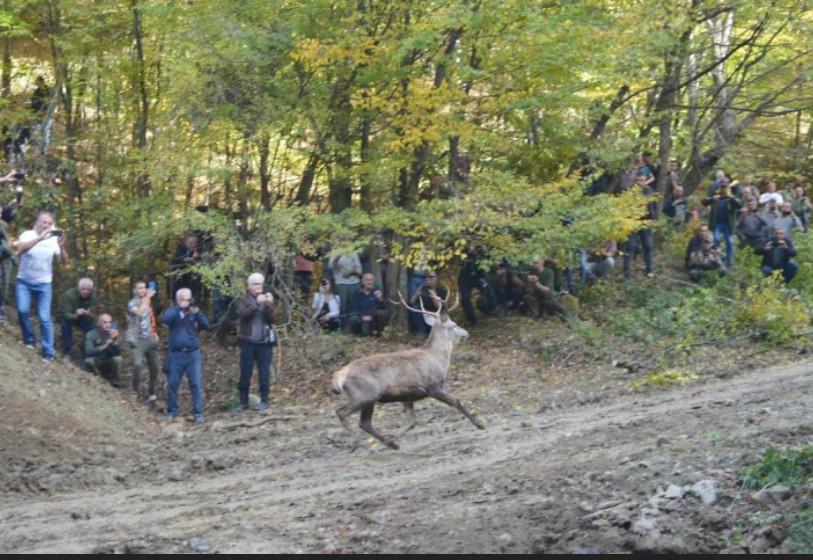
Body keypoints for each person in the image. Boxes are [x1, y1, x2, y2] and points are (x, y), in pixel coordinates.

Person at [14, 212, 67, 363]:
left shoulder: (53, 240)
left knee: (44, 317)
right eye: (44, 222)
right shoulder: (27, 235)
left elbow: (63, 262)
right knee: (23, 310)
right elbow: (21, 249)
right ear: (37, 222)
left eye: (49, 223)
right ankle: (29, 340)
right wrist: (40, 238)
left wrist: (62, 246)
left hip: (44, 284)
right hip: (24, 281)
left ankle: (48, 351)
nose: (47, 226)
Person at [162, 287, 211, 423]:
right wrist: (179, 307)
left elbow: (206, 325)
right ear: (177, 299)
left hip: (193, 354)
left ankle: (198, 413)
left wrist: (197, 312)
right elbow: (165, 320)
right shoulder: (173, 311)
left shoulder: (194, 312)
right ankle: (172, 411)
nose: (186, 301)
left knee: (195, 383)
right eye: (183, 298)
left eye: (188, 298)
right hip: (176, 354)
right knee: (172, 383)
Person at [231, 273, 276, 413]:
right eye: (256, 284)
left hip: (264, 343)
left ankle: (265, 401)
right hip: (248, 342)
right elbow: (242, 314)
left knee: (264, 373)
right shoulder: (243, 299)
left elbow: (273, 320)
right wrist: (256, 303)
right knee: (245, 373)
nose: (259, 286)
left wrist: (269, 305)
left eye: (261, 284)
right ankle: (243, 403)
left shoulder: (265, 298)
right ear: (249, 286)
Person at [126, 280, 161, 403]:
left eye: (144, 287)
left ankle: (152, 393)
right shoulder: (132, 303)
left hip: (149, 338)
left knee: (154, 367)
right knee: (137, 364)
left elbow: (151, 318)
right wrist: (148, 298)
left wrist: (155, 332)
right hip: (138, 340)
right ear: (134, 290)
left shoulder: (148, 302)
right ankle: (134, 391)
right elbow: (139, 313)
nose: (143, 290)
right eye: (140, 288)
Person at [623, 171, 658, 279]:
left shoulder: (649, 191)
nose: (639, 182)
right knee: (630, 247)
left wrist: (654, 218)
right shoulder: (629, 192)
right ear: (634, 181)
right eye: (637, 180)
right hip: (632, 222)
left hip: (646, 223)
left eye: (641, 180)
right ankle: (627, 273)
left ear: (645, 181)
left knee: (648, 246)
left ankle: (649, 270)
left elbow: (654, 206)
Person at [702, 180, 742, 268]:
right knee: (716, 239)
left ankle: (728, 263)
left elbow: (740, 205)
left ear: (728, 187)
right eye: (722, 186)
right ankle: (716, 259)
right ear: (720, 187)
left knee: (730, 242)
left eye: (725, 187)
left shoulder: (731, 197)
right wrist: (712, 198)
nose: (723, 188)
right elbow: (704, 202)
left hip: (728, 225)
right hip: (717, 224)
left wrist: (732, 198)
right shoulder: (716, 196)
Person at [56, 278, 97, 362]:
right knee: (65, 325)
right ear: (79, 288)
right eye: (83, 289)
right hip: (69, 317)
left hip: (83, 318)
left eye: (88, 290)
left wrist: (87, 314)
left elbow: (93, 316)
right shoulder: (69, 295)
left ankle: (85, 357)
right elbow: (62, 313)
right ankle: (68, 352)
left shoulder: (93, 297)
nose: (86, 292)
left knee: (94, 330)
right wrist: (75, 315)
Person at [84, 314, 124, 388]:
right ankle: (98, 380)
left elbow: (117, 353)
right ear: (99, 323)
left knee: (118, 359)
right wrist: (104, 346)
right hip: (97, 360)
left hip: (107, 361)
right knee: (88, 361)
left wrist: (114, 341)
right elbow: (88, 351)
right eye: (105, 322)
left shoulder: (112, 333)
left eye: (110, 322)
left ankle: (116, 382)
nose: (108, 325)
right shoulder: (91, 334)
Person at [348, 272, 389, 337]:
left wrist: (380, 299)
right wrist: (362, 316)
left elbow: (384, 308)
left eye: (371, 280)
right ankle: (356, 335)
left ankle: (378, 334)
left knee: (382, 314)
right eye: (367, 280)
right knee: (353, 318)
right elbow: (355, 308)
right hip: (361, 318)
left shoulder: (377, 292)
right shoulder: (357, 293)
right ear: (362, 281)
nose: (369, 282)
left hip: (373, 318)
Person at [408, 270, 448, 335]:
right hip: (424, 317)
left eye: (431, 277)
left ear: (437, 278)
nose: (429, 279)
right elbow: (411, 302)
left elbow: (440, 307)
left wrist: (434, 297)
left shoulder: (442, 291)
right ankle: (422, 331)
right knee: (415, 308)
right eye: (427, 277)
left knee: (442, 314)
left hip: (436, 318)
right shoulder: (423, 289)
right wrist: (416, 294)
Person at [170, 234, 203, 302]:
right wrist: (193, 258)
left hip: (192, 280)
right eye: (191, 243)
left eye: (195, 243)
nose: (194, 245)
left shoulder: (198, 250)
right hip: (180, 279)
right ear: (186, 243)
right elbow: (182, 259)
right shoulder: (181, 249)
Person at [330, 250, 362, 320]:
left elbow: (360, 271)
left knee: (355, 307)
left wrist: (352, 272)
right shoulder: (334, 252)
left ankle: (354, 325)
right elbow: (331, 266)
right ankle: (343, 324)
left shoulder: (353, 253)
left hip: (354, 283)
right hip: (341, 283)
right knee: (343, 307)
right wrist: (338, 257)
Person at [0, 220, 13, 325]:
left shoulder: (2, 224)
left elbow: (7, 248)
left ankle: (1, 312)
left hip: (4, 261)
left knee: (3, 287)